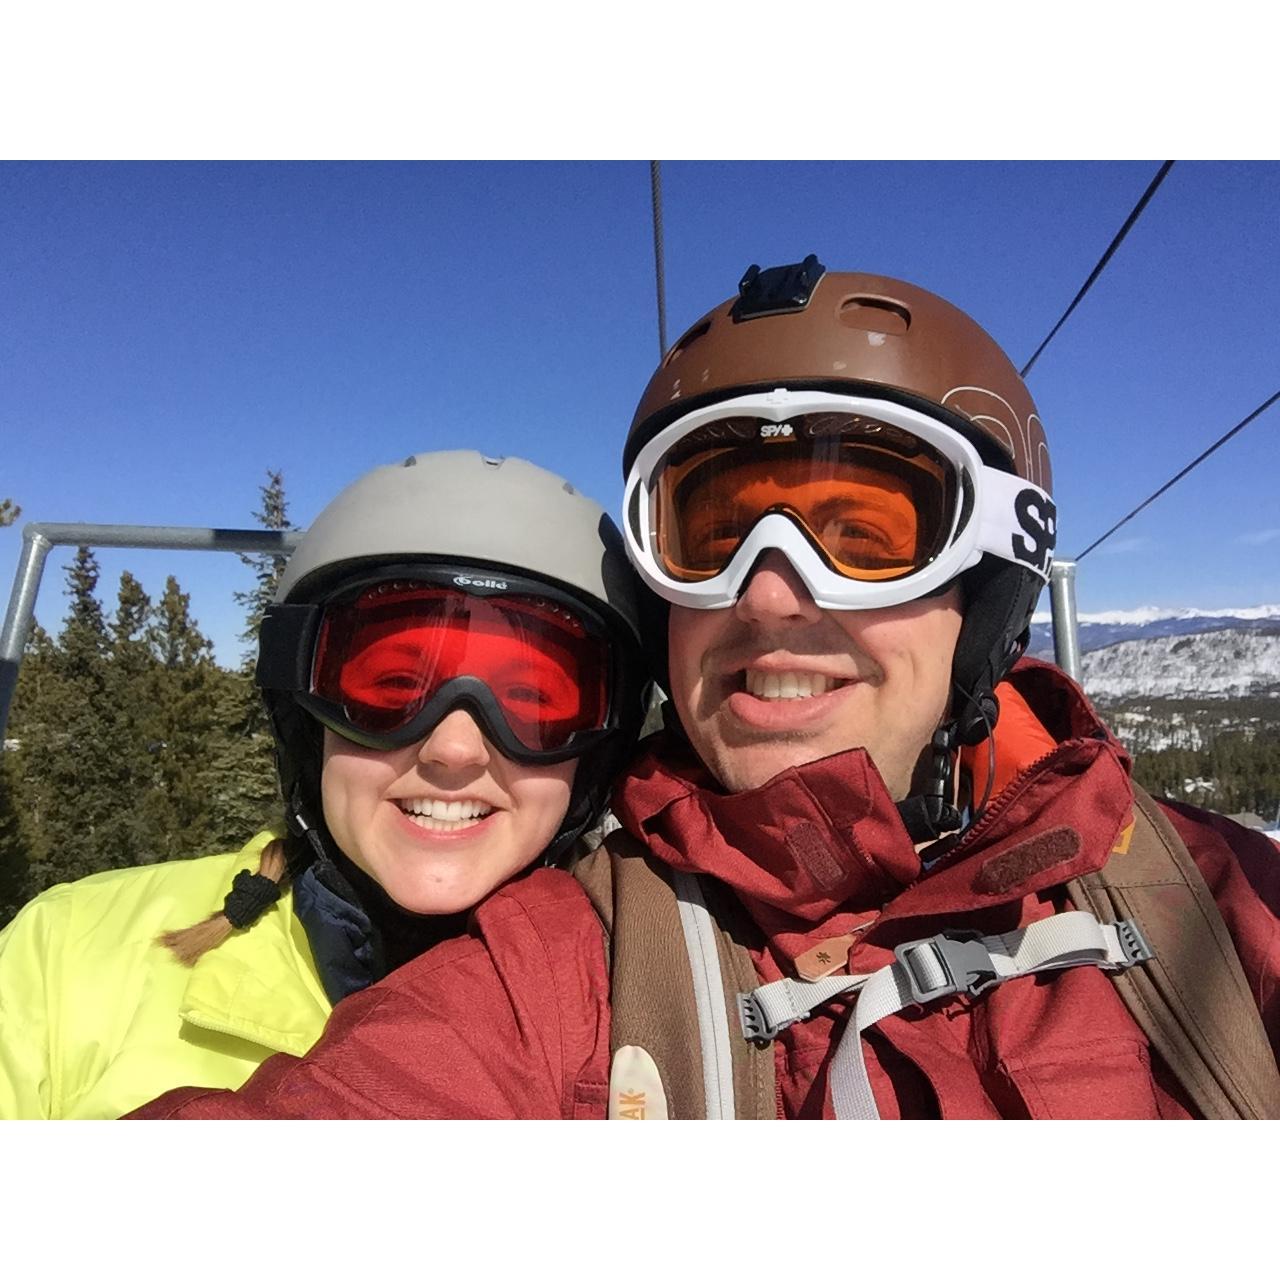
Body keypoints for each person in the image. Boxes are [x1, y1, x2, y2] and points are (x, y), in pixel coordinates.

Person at [132, 259, 1280, 1120]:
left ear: (981, 586)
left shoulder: (1216, 903)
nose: (772, 595)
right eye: (711, 533)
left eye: (866, 534)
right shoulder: (569, 958)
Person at [0, 450, 645, 1118]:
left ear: (597, 755)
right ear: (306, 725)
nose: (454, 749)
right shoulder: (67, 956)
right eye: (394, 689)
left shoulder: (648, 1005)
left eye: (532, 701)